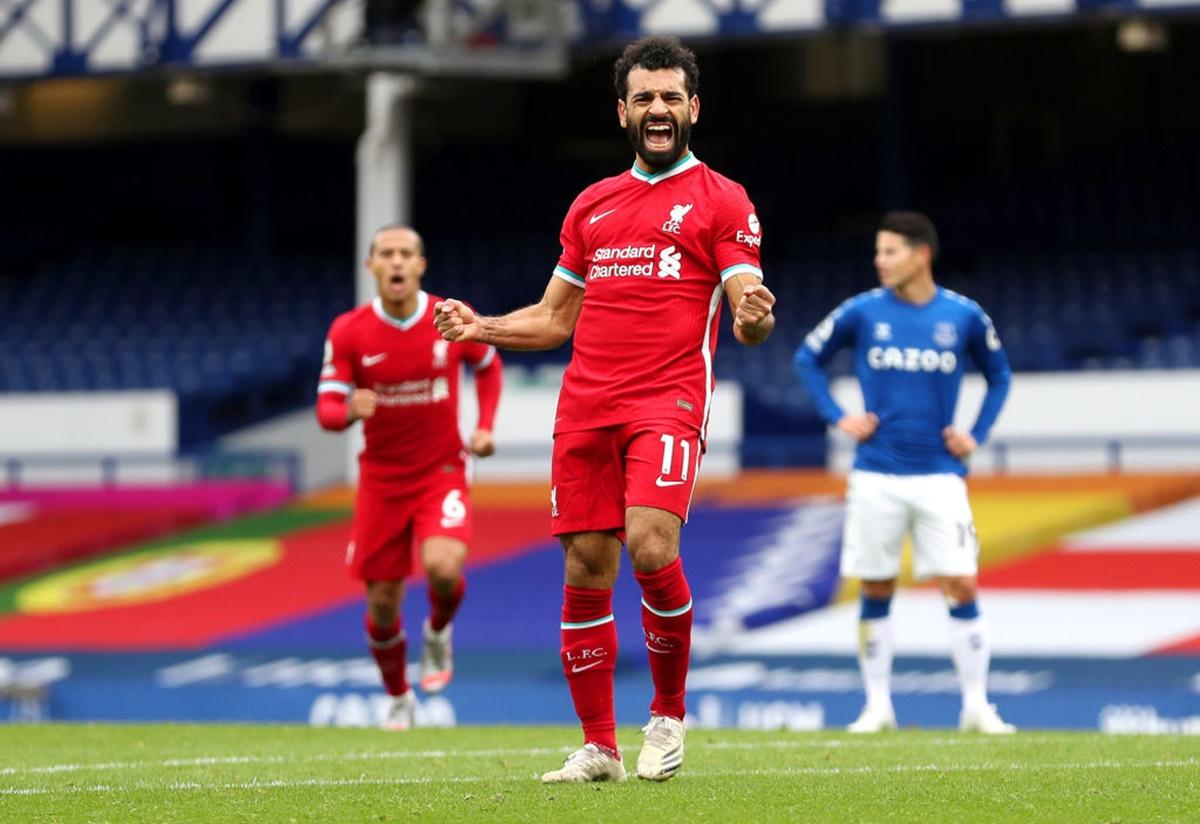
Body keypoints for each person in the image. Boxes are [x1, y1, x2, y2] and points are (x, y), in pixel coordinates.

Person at [434, 36, 776, 782]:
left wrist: (752, 313)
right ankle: (599, 747)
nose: (659, 109)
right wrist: (481, 326)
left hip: (668, 399)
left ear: (694, 107)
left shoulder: (722, 199)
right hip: (586, 404)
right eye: (645, 98)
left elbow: (747, 304)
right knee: (588, 565)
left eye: (672, 97)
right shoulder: (592, 204)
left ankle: (667, 716)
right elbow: (556, 319)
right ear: (623, 111)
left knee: (651, 544)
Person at [794, 211, 1015, 734]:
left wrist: (976, 434)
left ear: (921, 255)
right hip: (876, 474)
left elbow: (1000, 375)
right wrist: (838, 416)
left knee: (961, 582)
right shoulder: (864, 311)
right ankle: (876, 706)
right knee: (876, 586)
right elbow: (807, 357)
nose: (880, 260)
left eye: (890, 251)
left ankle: (977, 707)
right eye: (878, 251)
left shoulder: (963, 316)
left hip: (941, 474)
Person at [317, 224, 502, 730]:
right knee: (381, 602)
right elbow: (327, 409)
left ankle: (438, 632)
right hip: (380, 479)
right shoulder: (349, 331)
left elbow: (488, 364)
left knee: (444, 568)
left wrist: (484, 427)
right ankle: (399, 696)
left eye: (406, 254)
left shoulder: (446, 317)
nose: (396, 262)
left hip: (441, 469)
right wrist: (349, 409)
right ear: (371, 266)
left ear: (421, 265)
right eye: (386, 254)